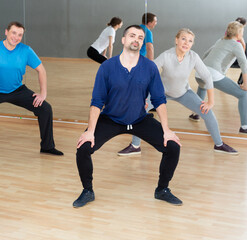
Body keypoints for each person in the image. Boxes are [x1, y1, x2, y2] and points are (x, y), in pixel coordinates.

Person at [73, 25, 183, 208]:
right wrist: (90, 131)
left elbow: (159, 99)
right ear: (123, 40)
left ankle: (162, 189)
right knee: (83, 147)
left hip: (139, 119)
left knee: (172, 146)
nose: (136, 39)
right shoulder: (107, 67)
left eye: (140, 37)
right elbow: (97, 101)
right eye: (132, 35)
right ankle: (87, 191)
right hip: (111, 119)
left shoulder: (150, 67)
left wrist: (166, 130)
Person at [0, 21, 63, 156]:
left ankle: (47, 146)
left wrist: (43, 93)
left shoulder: (26, 50)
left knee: (45, 108)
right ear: (6, 32)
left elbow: (42, 70)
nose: (16, 37)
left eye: (20, 35)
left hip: (17, 91)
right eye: (13, 33)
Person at [156, 29, 238, 154]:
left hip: (183, 93)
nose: (186, 43)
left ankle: (219, 144)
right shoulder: (166, 55)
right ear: (176, 40)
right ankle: (135, 146)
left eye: (190, 41)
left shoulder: (193, 56)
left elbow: (207, 77)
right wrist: (145, 95)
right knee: (140, 111)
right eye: (183, 39)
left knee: (208, 114)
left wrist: (210, 102)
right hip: (161, 93)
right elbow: (149, 72)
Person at [193, 21, 247, 136]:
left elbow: (206, 54)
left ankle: (196, 114)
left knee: (203, 86)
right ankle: (245, 127)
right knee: (244, 94)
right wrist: (246, 84)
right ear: (238, 33)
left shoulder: (220, 40)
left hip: (199, 73)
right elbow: (244, 64)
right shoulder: (236, 45)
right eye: (242, 32)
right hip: (213, 74)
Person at [117, 12, 158, 156]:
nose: (156, 24)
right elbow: (150, 47)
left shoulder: (136, 29)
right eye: (155, 21)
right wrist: (151, 65)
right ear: (150, 22)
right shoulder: (147, 31)